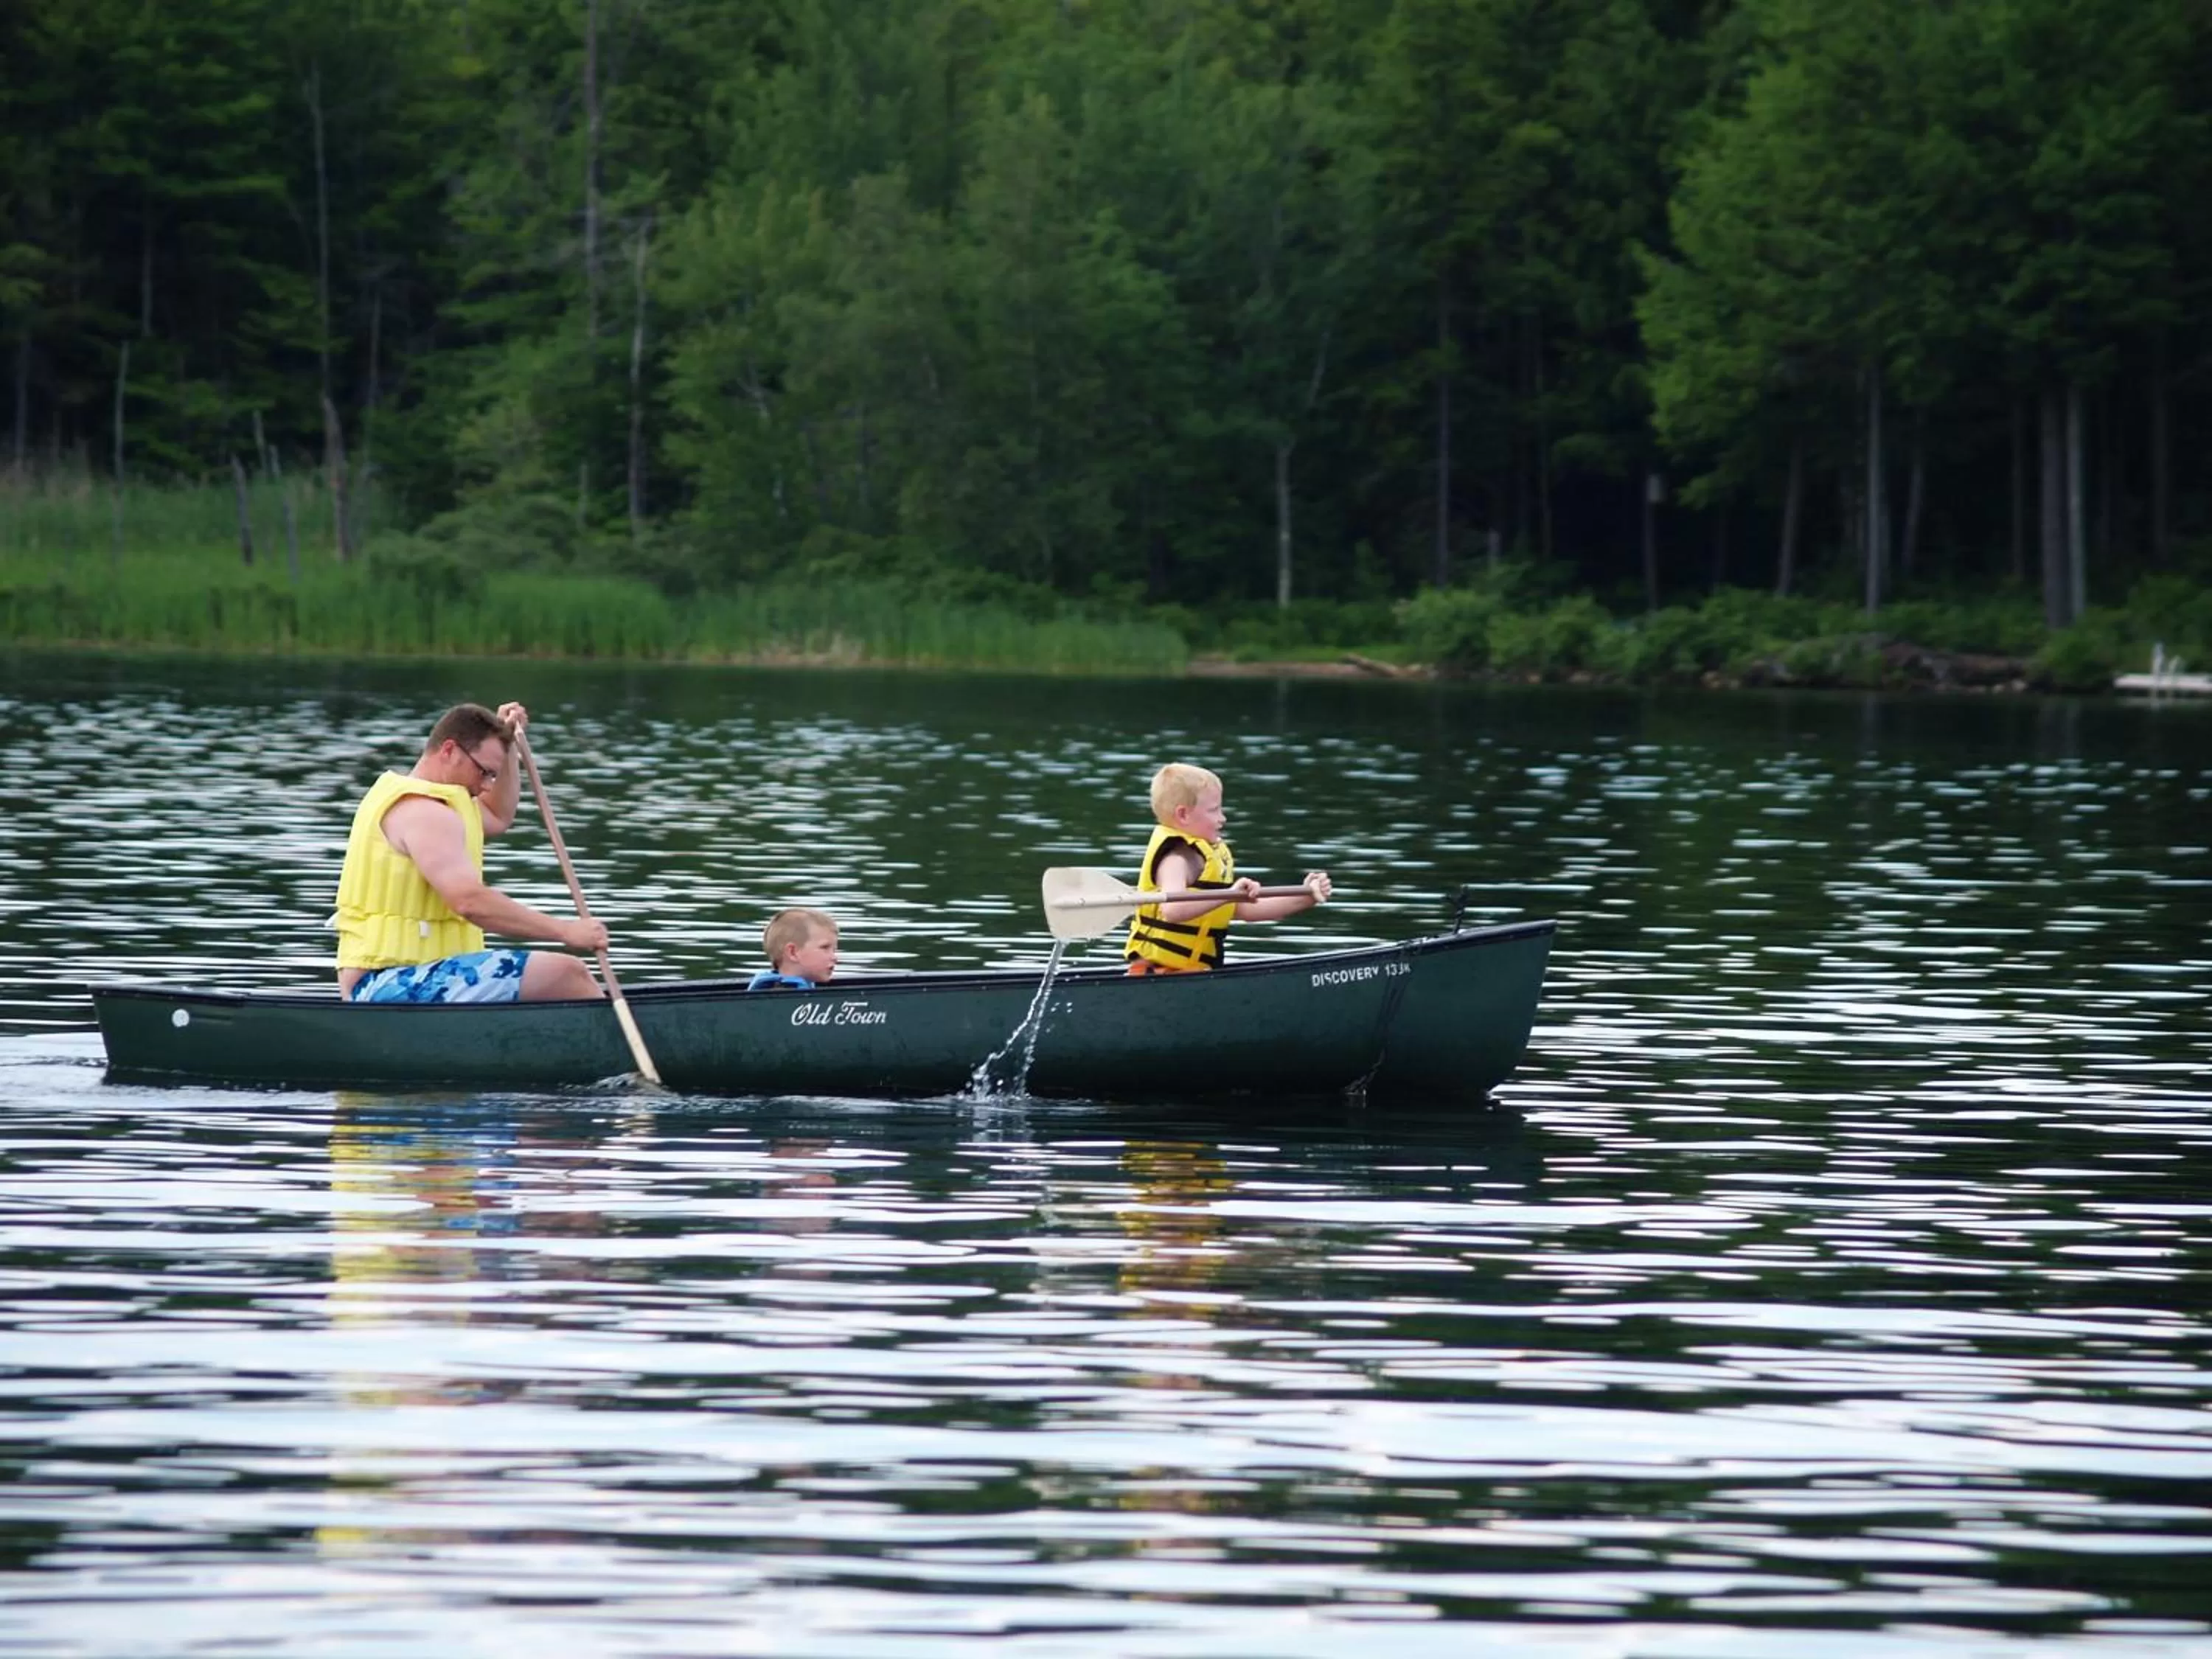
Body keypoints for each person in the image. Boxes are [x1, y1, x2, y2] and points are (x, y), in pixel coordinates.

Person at [334, 701, 609, 1004]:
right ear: (449, 750)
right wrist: (567, 931)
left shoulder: (438, 802)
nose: (487, 787)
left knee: (554, 982)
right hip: (387, 983)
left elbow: (499, 815)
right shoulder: (424, 812)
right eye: (484, 773)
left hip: (420, 976)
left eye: (493, 775)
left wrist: (511, 749)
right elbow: (469, 901)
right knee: (566, 973)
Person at [1125, 762, 1329, 975]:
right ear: (1183, 815)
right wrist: (1229, 895)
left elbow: (1249, 910)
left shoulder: (1206, 861)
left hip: (1193, 973)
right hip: (1158, 974)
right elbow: (1173, 910)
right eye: (1214, 810)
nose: (1222, 818)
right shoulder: (1176, 859)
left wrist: (1306, 897)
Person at [748, 908, 838, 990]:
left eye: (834, 950)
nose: (834, 958)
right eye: (825, 948)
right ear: (793, 953)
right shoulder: (781, 995)